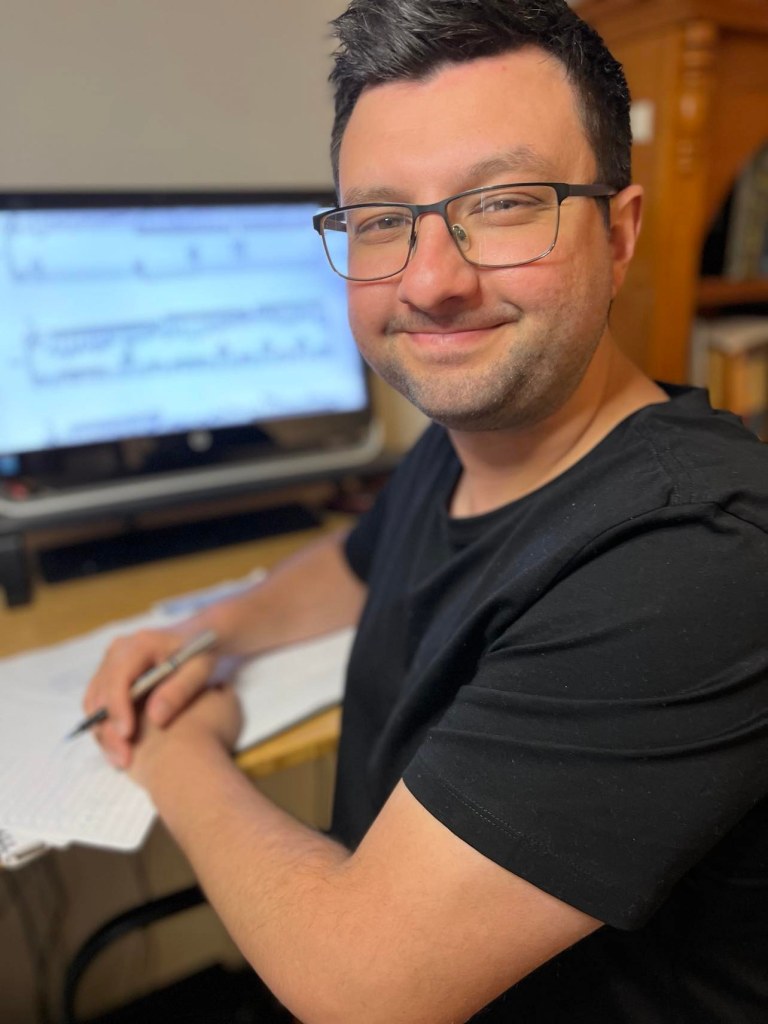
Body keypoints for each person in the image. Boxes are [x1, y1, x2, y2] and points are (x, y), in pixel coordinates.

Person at [84, 1, 768, 1021]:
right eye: (379, 220)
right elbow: (354, 563)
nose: (433, 281)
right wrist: (213, 633)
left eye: (505, 204)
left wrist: (176, 750)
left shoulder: (695, 552)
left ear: (620, 233)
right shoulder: (470, 445)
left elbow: (365, 989)